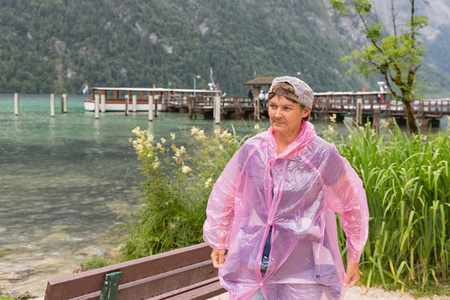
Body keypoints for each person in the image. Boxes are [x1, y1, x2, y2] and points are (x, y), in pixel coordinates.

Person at [203, 76, 369, 299]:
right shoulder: (253, 150)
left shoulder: (323, 155)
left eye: (287, 108)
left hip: (303, 268)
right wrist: (219, 241)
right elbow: (226, 195)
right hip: (255, 261)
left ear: (304, 111)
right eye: (273, 106)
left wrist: (353, 257)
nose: (277, 114)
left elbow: (353, 206)